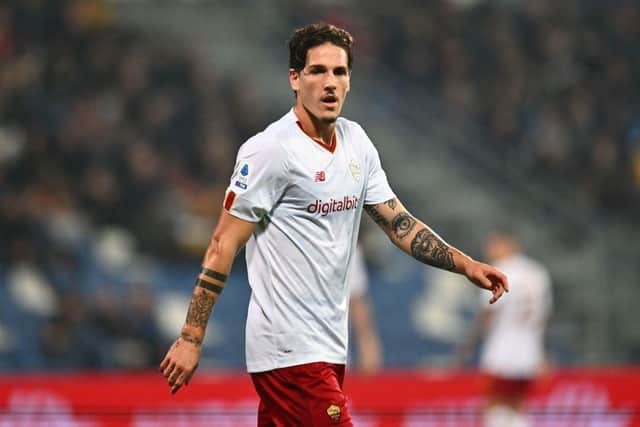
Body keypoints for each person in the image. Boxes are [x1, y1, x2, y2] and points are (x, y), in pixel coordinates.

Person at [160, 23, 509, 426]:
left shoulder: (356, 142)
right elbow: (222, 244)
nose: (330, 83)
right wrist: (191, 337)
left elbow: (399, 224)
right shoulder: (270, 150)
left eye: (339, 72)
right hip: (289, 347)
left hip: (328, 345)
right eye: (318, 71)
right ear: (295, 78)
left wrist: (466, 265)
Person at [456, 230, 552, 427]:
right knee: (518, 406)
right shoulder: (537, 272)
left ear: (507, 245)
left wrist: (466, 350)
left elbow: (488, 314)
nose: (488, 250)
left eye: (493, 245)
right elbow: (542, 318)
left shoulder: (500, 270)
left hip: (502, 352)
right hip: (529, 353)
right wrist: (541, 353)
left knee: (493, 407)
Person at [348, 244, 382, 375]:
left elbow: (362, 324)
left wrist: (369, 375)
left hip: (330, 370)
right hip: (283, 363)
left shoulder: (345, 246)